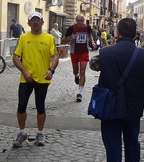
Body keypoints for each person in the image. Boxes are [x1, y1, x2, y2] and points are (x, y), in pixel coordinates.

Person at [93, 18, 144, 162]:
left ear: (118, 32)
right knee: (132, 139)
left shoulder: (106, 53)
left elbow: (94, 65)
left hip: (110, 103)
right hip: (133, 103)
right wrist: (138, 87)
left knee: (112, 140)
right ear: (135, 33)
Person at [12, 11, 58, 148]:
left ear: (42, 22)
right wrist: (24, 71)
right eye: (33, 20)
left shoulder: (49, 38)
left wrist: (51, 70)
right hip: (26, 78)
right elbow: (15, 57)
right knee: (21, 106)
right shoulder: (23, 38)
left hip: (42, 78)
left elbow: (55, 56)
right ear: (29, 23)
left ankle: (40, 133)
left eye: (38, 19)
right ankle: (21, 132)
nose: (36, 22)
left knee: (40, 106)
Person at [63, 14, 95, 102]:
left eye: (82, 20)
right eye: (79, 20)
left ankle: (80, 93)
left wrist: (92, 42)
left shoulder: (88, 27)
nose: (80, 22)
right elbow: (63, 40)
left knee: (83, 71)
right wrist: (71, 38)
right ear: (76, 21)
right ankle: (76, 75)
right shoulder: (71, 29)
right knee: (75, 70)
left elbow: (90, 35)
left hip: (84, 52)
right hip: (74, 52)